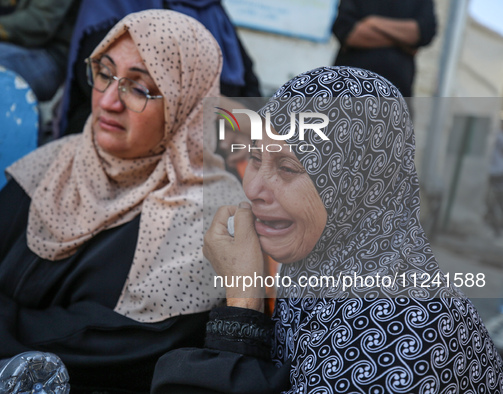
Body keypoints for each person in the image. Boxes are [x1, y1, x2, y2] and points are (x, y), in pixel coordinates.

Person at [0, 9, 244, 393]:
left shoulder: (207, 212)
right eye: (104, 73)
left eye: (138, 88)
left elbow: (131, 347)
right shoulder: (56, 165)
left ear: (186, 102)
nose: (107, 102)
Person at [151, 66, 503, 393]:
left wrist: (242, 304)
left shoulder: (401, 330)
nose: (253, 188)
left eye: (288, 168)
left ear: (360, 186)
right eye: (256, 159)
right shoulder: (318, 271)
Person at [56, 0, 261, 139]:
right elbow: (107, 83)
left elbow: (250, 87)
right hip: (125, 132)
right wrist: (231, 117)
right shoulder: (115, 5)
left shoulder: (210, 8)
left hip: (209, 137)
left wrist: (242, 137)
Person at [332, 0, 436, 97]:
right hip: (350, 87)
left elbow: (424, 31)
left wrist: (373, 22)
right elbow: (349, 33)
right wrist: (403, 42)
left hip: (396, 93)